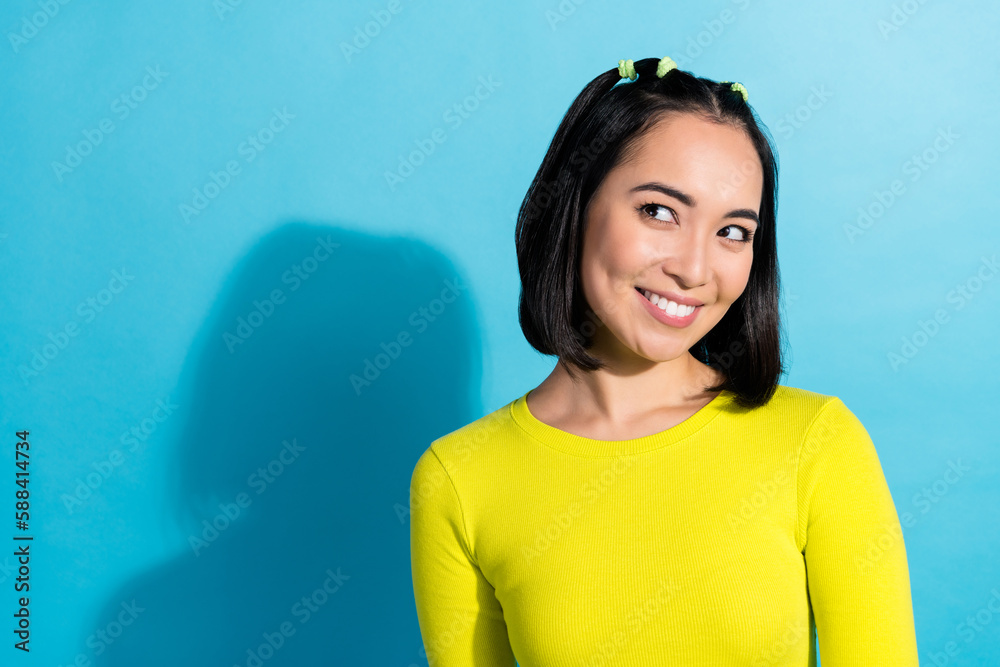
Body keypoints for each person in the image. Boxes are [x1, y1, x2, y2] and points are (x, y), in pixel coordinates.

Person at [409, 56, 919, 666]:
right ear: (574, 208)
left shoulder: (817, 444)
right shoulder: (458, 480)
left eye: (733, 231)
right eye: (659, 211)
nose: (695, 270)